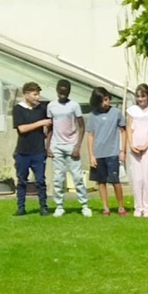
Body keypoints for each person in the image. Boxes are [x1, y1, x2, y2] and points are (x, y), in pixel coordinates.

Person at [46, 79, 91, 217]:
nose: (62, 95)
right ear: (57, 90)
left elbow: (82, 126)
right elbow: (50, 127)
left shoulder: (74, 105)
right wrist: (47, 146)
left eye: (65, 93)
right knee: (58, 178)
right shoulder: (51, 106)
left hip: (71, 145)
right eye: (60, 92)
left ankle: (84, 205)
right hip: (56, 145)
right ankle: (59, 206)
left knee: (77, 177)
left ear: (69, 92)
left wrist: (78, 145)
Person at [87, 87, 128, 216]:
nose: (106, 103)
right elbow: (90, 135)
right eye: (102, 101)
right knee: (101, 181)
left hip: (113, 153)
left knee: (115, 181)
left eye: (106, 99)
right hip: (98, 154)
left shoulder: (116, 113)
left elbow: (123, 131)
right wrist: (91, 155)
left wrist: (123, 150)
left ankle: (121, 206)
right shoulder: (93, 115)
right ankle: (105, 207)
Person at [12, 82, 51, 216]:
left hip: (38, 151)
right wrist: (40, 123)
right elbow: (22, 129)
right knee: (22, 180)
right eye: (35, 94)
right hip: (23, 151)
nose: (38, 97)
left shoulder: (42, 109)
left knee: (40, 180)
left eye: (38, 94)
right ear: (26, 94)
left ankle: (43, 207)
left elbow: (50, 124)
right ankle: (21, 207)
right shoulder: (18, 109)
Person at [127, 84, 148, 217]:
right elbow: (129, 128)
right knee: (137, 179)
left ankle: (147, 208)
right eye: (138, 96)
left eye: (143, 96)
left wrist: (146, 145)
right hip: (135, 149)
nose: (140, 99)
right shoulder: (132, 110)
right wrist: (131, 144)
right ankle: (138, 207)